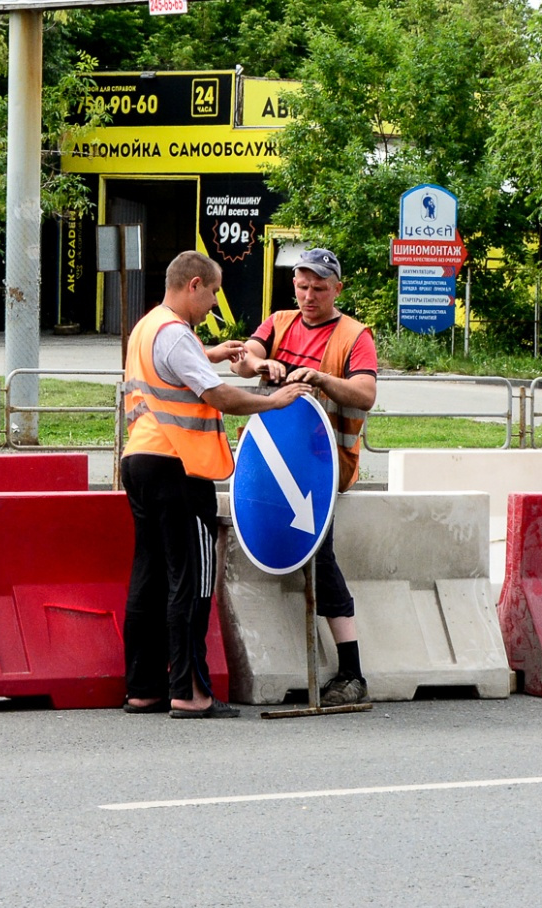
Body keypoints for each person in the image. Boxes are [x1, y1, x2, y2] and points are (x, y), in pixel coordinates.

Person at [121, 250, 311, 719]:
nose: (213, 304)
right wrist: (275, 401)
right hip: (180, 468)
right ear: (194, 285)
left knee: (149, 578)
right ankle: (190, 692)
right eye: (212, 292)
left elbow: (171, 368)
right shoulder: (175, 333)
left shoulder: (149, 326)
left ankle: (144, 689)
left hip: (141, 461)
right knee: (192, 581)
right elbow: (219, 395)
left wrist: (212, 353)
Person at [229, 247, 378, 706]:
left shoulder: (355, 335)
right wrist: (260, 364)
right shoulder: (278, 322)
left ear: (337, 289)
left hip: (321, 466)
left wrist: (322, 379)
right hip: (272, 466)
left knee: (321, 556)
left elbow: (365, 393)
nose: (309, 296)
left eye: (319, 288)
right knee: (300, 552)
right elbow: (241, 359)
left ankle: (352, 673)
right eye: (302, 287)